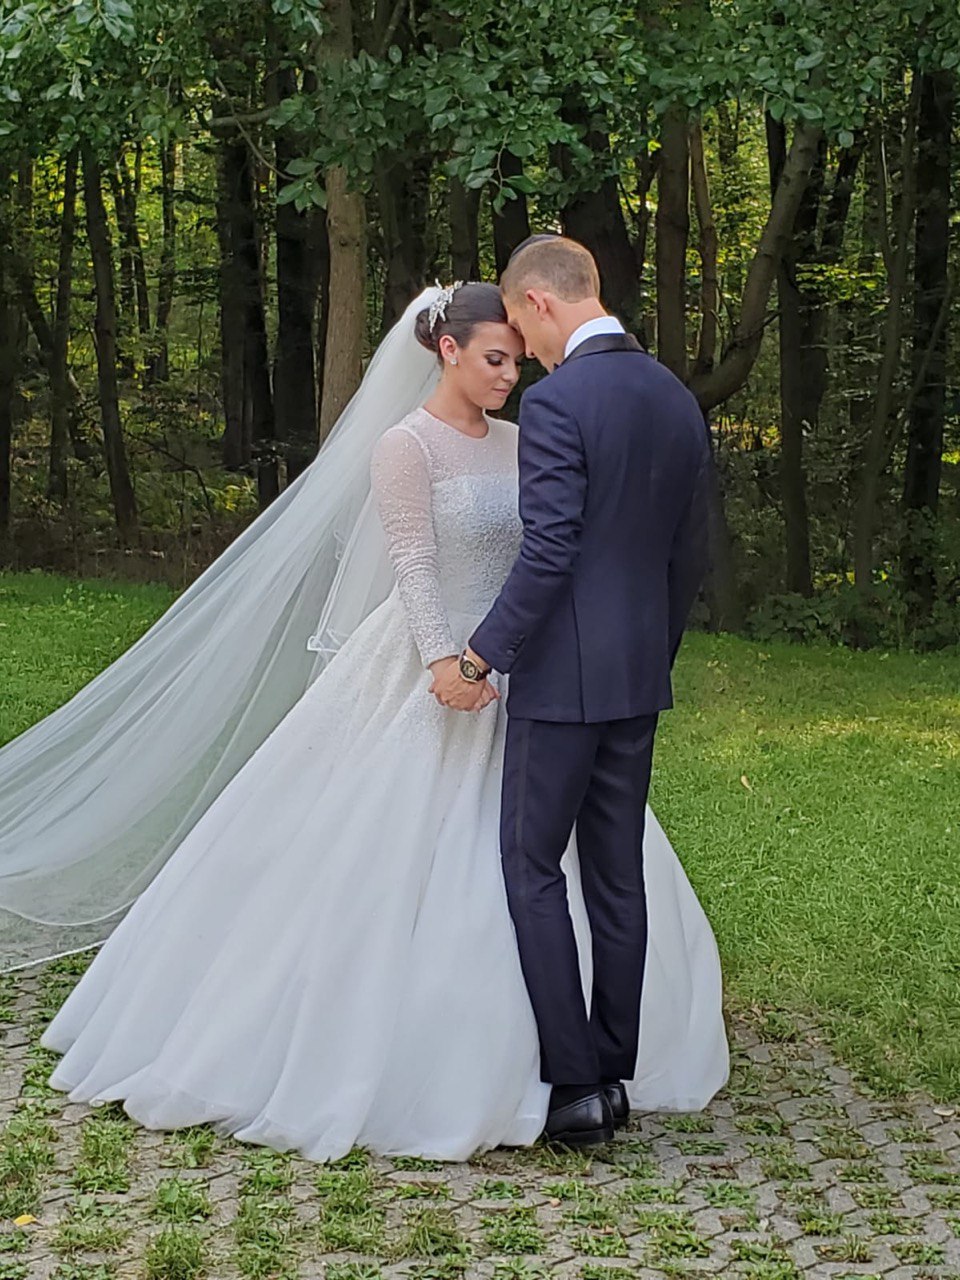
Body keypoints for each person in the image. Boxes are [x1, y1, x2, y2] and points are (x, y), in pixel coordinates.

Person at [26, 282, 726, 1162]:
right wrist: (448, 662)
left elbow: (558, 547)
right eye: (494, 358)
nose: (511, 374)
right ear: (447, 350)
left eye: (516, 358)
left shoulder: (527, 436)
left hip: (535, 674)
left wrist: (497, 658)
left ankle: (589, 1068)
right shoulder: (407, 447)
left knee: (562, 860)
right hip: (437, 664)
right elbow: (413, 564)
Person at [431, 237, 713, 1146]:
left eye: (523, 329)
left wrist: (480, 656)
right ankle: (616, 1075)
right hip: (639, 679)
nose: (526, 353)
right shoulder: (674, 396)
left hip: (559, 683)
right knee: (616, 875)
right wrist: (650, 654)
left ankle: (575, 1086)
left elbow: (550, 548)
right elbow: (688, 553)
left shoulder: (560, 404)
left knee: (531, 867)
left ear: (541, 305)